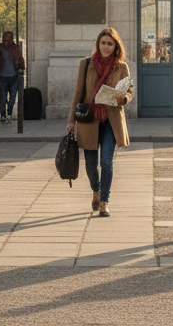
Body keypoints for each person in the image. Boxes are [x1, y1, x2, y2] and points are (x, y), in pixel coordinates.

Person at [66, 27, 133, 217]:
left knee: (106, 162)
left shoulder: (121, 67)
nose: (106, 47)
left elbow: (129, 91)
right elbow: (78, 93)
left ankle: (104, 201)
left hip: (111, 120)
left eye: (110, 44)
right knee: (90, 164)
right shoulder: (86, 64)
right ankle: (95, 190)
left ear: (115, 46)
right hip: (89, 119)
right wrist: (71, 120)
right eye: (103, 43)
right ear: (98, 44)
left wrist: (123, 99)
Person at [0, 30, 26, 123]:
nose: (7, 40)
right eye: (6, 38)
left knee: (12, 99)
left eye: (9, 38)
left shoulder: (15, 48)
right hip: (2, 77)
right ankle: (3, 115)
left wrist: (21, 67)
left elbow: (20, 59)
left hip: (13, 77)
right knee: (3, 98)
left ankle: (9, 113)